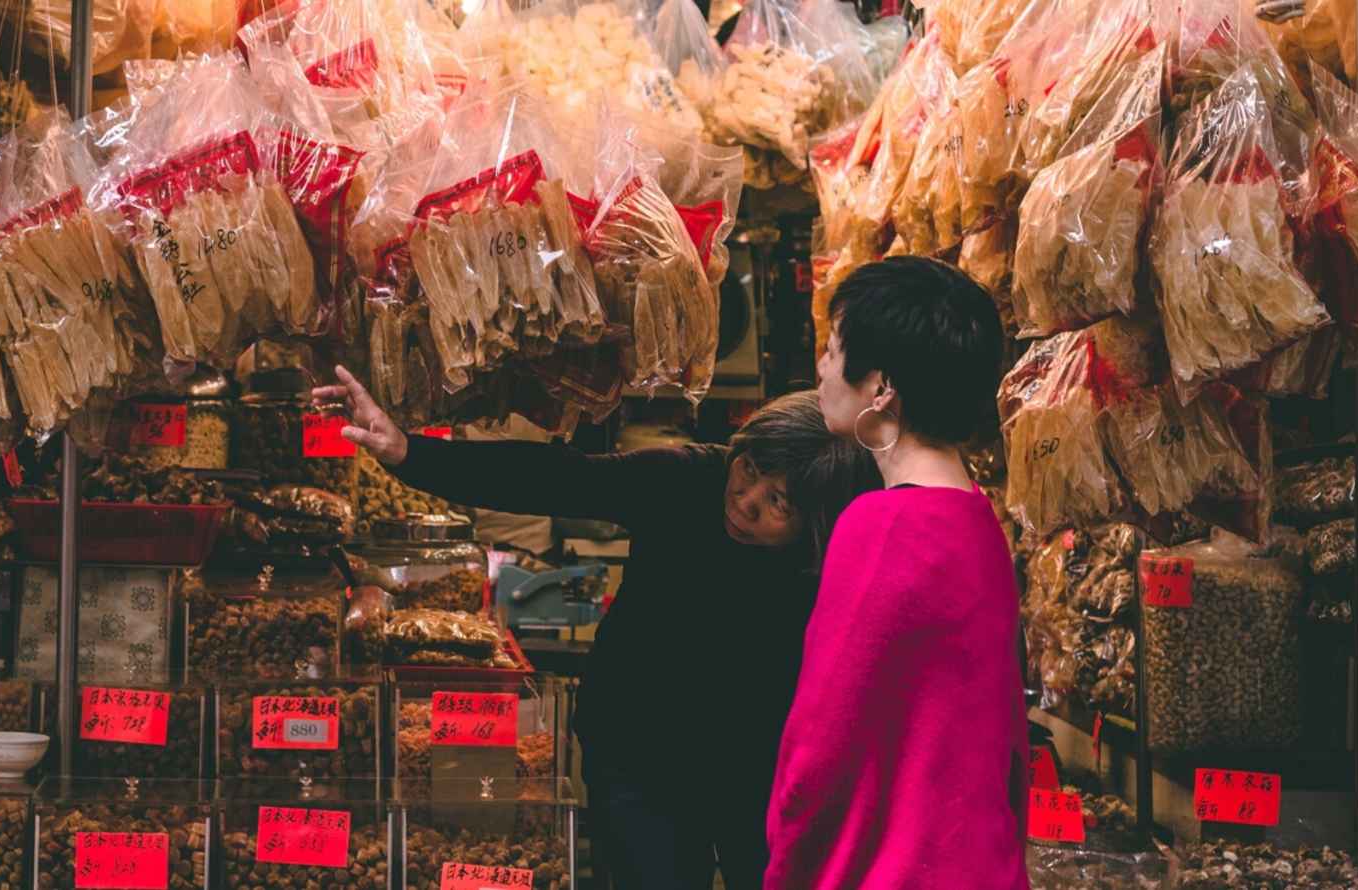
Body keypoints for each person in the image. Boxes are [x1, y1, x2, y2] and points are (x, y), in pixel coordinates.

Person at [315, 369, 882, 890]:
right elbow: (559, 479)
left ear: (818, 523)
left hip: (760, 775)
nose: (746, 499)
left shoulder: (842, 555)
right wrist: (409, 453)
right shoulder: (690, 478)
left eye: (777, 501)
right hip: (638, 760)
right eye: (750, 469)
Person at [765, 257, 1029, 890]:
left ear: (881, 387)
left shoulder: (881, 528)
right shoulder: (975, 519)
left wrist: (783, 867)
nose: (822, 368)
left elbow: (817, 755)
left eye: (832, 350)